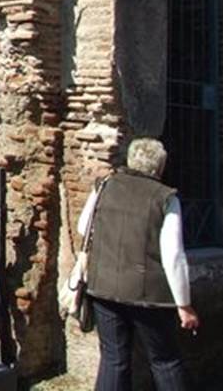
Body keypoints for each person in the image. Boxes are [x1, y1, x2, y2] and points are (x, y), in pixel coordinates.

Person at [78, 137, 199, 391]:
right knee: (165, 361)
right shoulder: (166, 198)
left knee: (113, 360)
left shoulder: (104, 186)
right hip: (150, 294)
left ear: (131, 160)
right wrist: (184, 305)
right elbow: (173, 255)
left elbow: (83, 227)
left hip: (103, 287)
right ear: (160, 167)